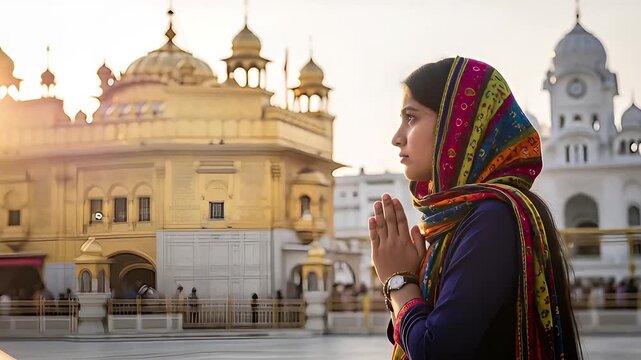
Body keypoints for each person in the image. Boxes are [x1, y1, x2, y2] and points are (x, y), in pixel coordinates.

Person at [368, 57, 582, 359]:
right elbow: (412, 334)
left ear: (457, 126)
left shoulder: (492, 219)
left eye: (411, 118)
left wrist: (398, 281)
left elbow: (435, 350)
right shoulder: (459, 218)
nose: (397, 137)